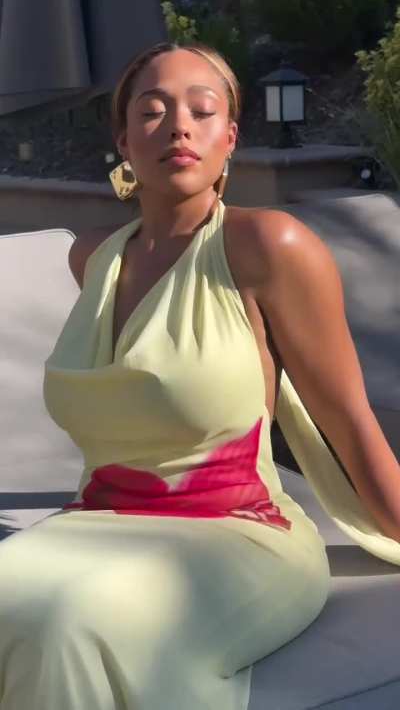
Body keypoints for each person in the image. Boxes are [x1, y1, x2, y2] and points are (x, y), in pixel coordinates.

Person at [0, 41, 399, 710]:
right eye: (153, 111)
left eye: (202, 110)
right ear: (124, 141)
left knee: (69, 625)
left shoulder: (269, 246)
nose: (178, 126)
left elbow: (348, 420)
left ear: (230, 138)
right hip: (94, 524)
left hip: (240, 535)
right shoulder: (92, 260)